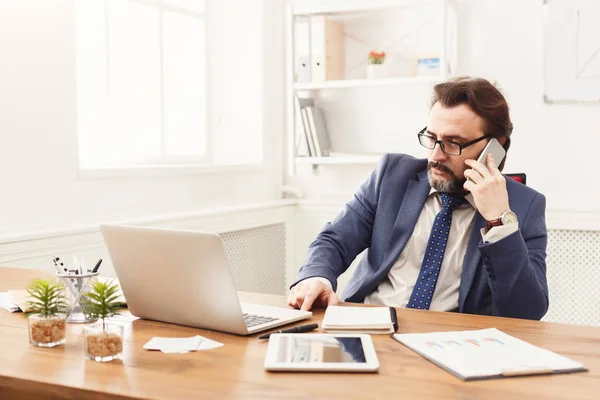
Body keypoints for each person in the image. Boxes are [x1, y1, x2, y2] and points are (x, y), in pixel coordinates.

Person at [288, 76, 548, 320]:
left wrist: (498, 223)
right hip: (368, 327)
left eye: (452, 143)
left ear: (495, 147)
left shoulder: (524, 207)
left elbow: (526, 312)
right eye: (432, 138)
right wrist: (316, 277)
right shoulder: (392, 176)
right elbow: (335, 239)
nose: (435, 155)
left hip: (450, 344)